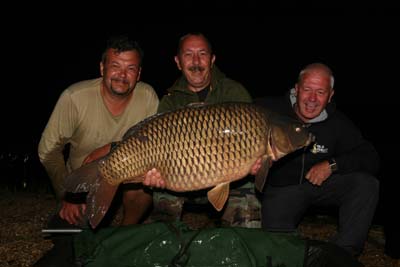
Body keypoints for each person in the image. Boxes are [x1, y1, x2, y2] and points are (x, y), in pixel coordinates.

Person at [255, 63, 380, 257]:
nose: (312, 99)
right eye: (307, 90)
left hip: (321, 185)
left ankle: (344, 253)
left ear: (330, 96)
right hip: (282, 190)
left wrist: (332, 165)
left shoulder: (338, 123)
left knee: (366, 184)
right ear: (296, 90)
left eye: (320, 92)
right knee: (279, 249)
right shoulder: (267, 109)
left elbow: (370, 156)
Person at [38, 35, 159, 228]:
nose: (122, 75)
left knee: (143, 190)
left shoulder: (148, 97)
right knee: (69, 236)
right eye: (115, 66)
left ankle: (125, 233)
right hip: (84, 180)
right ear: (102, 68)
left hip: (129, 175)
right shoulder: (74, 98)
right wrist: (69, 194)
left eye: (130, 68)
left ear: (139, 73)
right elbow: (48, 151)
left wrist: (110, 148)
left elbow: (156, 145)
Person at [147, 32, 262, 228]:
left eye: (202, 54)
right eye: (188, 55)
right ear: (178, 61)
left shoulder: (234, 92)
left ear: (212, 59)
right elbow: (156, 149)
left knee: (248, 213)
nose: (196, 61)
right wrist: (154, 176)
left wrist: (255, 163)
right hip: (181, 179)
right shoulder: (170, 100)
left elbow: (253, 140)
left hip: (231, 180)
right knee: (161, 209)